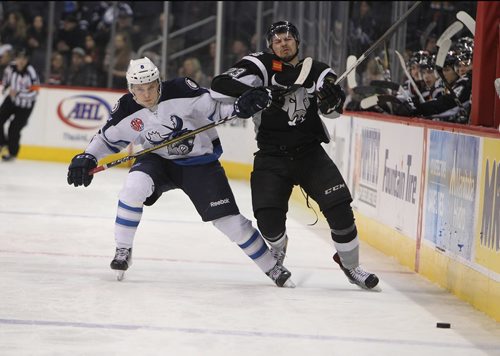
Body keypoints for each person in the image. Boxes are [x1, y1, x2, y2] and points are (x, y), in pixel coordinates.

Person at [66, 57, 294, 287]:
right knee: (133, 188)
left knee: (229, 222)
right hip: (158, 160)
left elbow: (215, 109)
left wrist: (238, 107)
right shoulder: (126, 108)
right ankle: (123, 250)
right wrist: (88, 157)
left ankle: (272, 267)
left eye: (151, 87)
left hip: (199, 162)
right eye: (139, 89)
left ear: (159, 82)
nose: (146, 94)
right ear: (131, 89)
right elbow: (107, 139)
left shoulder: (181, 90)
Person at [211, 21, 379, 289]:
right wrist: (253, 91)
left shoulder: (318, 70)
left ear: (297, 42)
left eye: (288, 38)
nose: (283, 44)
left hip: (309, 153)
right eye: (277, 41)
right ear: (270, 45)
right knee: (267, 220)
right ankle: (278, 245)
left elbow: (333, 112)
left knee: (340, 209)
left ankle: (351, 266)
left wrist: (332, 98)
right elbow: (219, 86)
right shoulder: (259, 66)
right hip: (271, 155)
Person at [0, 48, 39, 161]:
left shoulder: (31, 71)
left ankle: (12, 153)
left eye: (24, 58)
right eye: (19, 58)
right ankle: (3, 144)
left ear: (27, 60)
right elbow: (6, 83)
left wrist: (18, 93)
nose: (21, 61)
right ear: (16, 58)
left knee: (14, 128)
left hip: (26, 105)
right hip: (11, 100)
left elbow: (35, 92)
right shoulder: (10, 68)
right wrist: (6, 90)